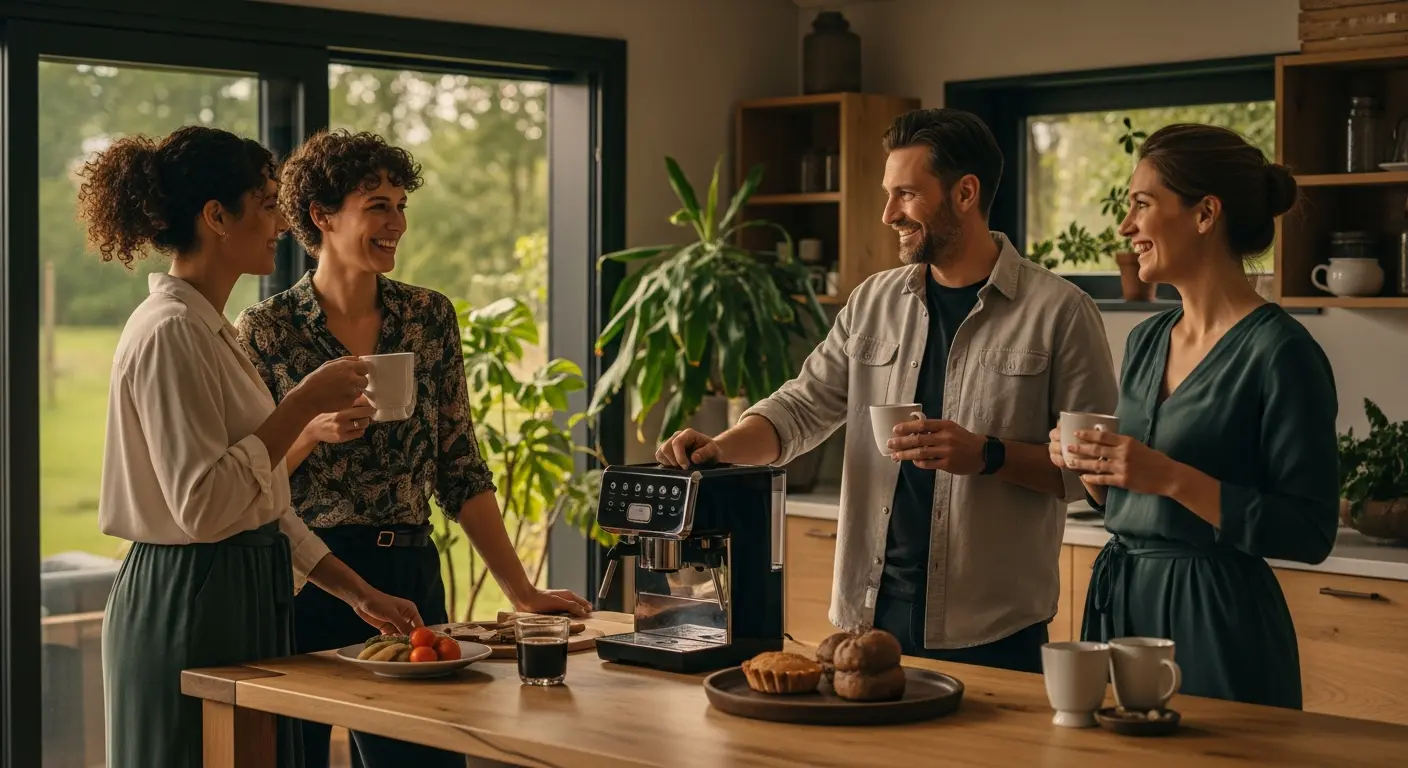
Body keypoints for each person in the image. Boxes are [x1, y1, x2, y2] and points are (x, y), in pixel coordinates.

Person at [654, 108, 1119, 673]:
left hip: (994, 628)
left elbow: (1091, 474)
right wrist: (721, 447)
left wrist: (987, 455)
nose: (888, 213)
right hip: (868, 619)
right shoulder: (873, 301)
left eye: (907, 194)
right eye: (888, 193)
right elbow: (801, 407)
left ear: (965, 193)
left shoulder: (1061, 312)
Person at [237, 128, 593, 768]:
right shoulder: (267, 330)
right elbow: (250, 480)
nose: (397, 223)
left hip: (409, 575)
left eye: (401, 205)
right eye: (378, 205)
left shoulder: (429, 317)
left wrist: (521, 591)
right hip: (306, 578)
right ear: (322, 215)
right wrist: (310, 431)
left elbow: (461, 467)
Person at [86, 126, 424, 768]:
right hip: (191, 598)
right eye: (267, 204)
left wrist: (358, 593)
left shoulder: (208, 329)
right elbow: (205, 506)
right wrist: (303, 404)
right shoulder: (170, 333)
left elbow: (261, 503)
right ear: (217, 216)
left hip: (237, 592)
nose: (281, 223)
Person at [1050, 123, 1339, 709]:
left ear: (1205, 213)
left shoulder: (1282, 352)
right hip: (1122, 604)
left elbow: (1309, 532)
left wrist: (1169, 477)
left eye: (1142, 204)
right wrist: (1094, 470)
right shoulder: (1145, 341)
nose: (1125, 227)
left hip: (1216, 618)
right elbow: (1131, 499)